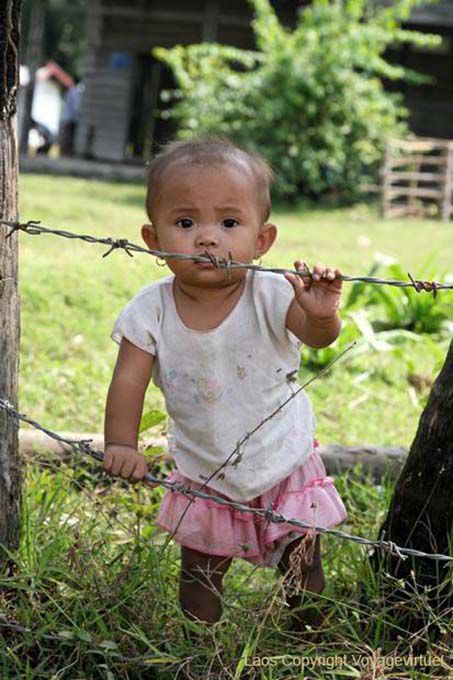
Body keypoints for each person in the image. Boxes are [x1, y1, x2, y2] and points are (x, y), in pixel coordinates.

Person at [103, 137, 348, 631]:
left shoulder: (271, 292)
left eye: (229, 223)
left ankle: (310, 634)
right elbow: (127, 381)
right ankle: (201, 646)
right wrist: (121, 443)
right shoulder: (150, 309)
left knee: (305, 567)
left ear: (262, 240)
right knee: (198, 577)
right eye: (186, 222)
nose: (208, 238)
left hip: (283, 461)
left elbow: (316, 338)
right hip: (204, 470)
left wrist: (322, 314)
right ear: (153, 239)